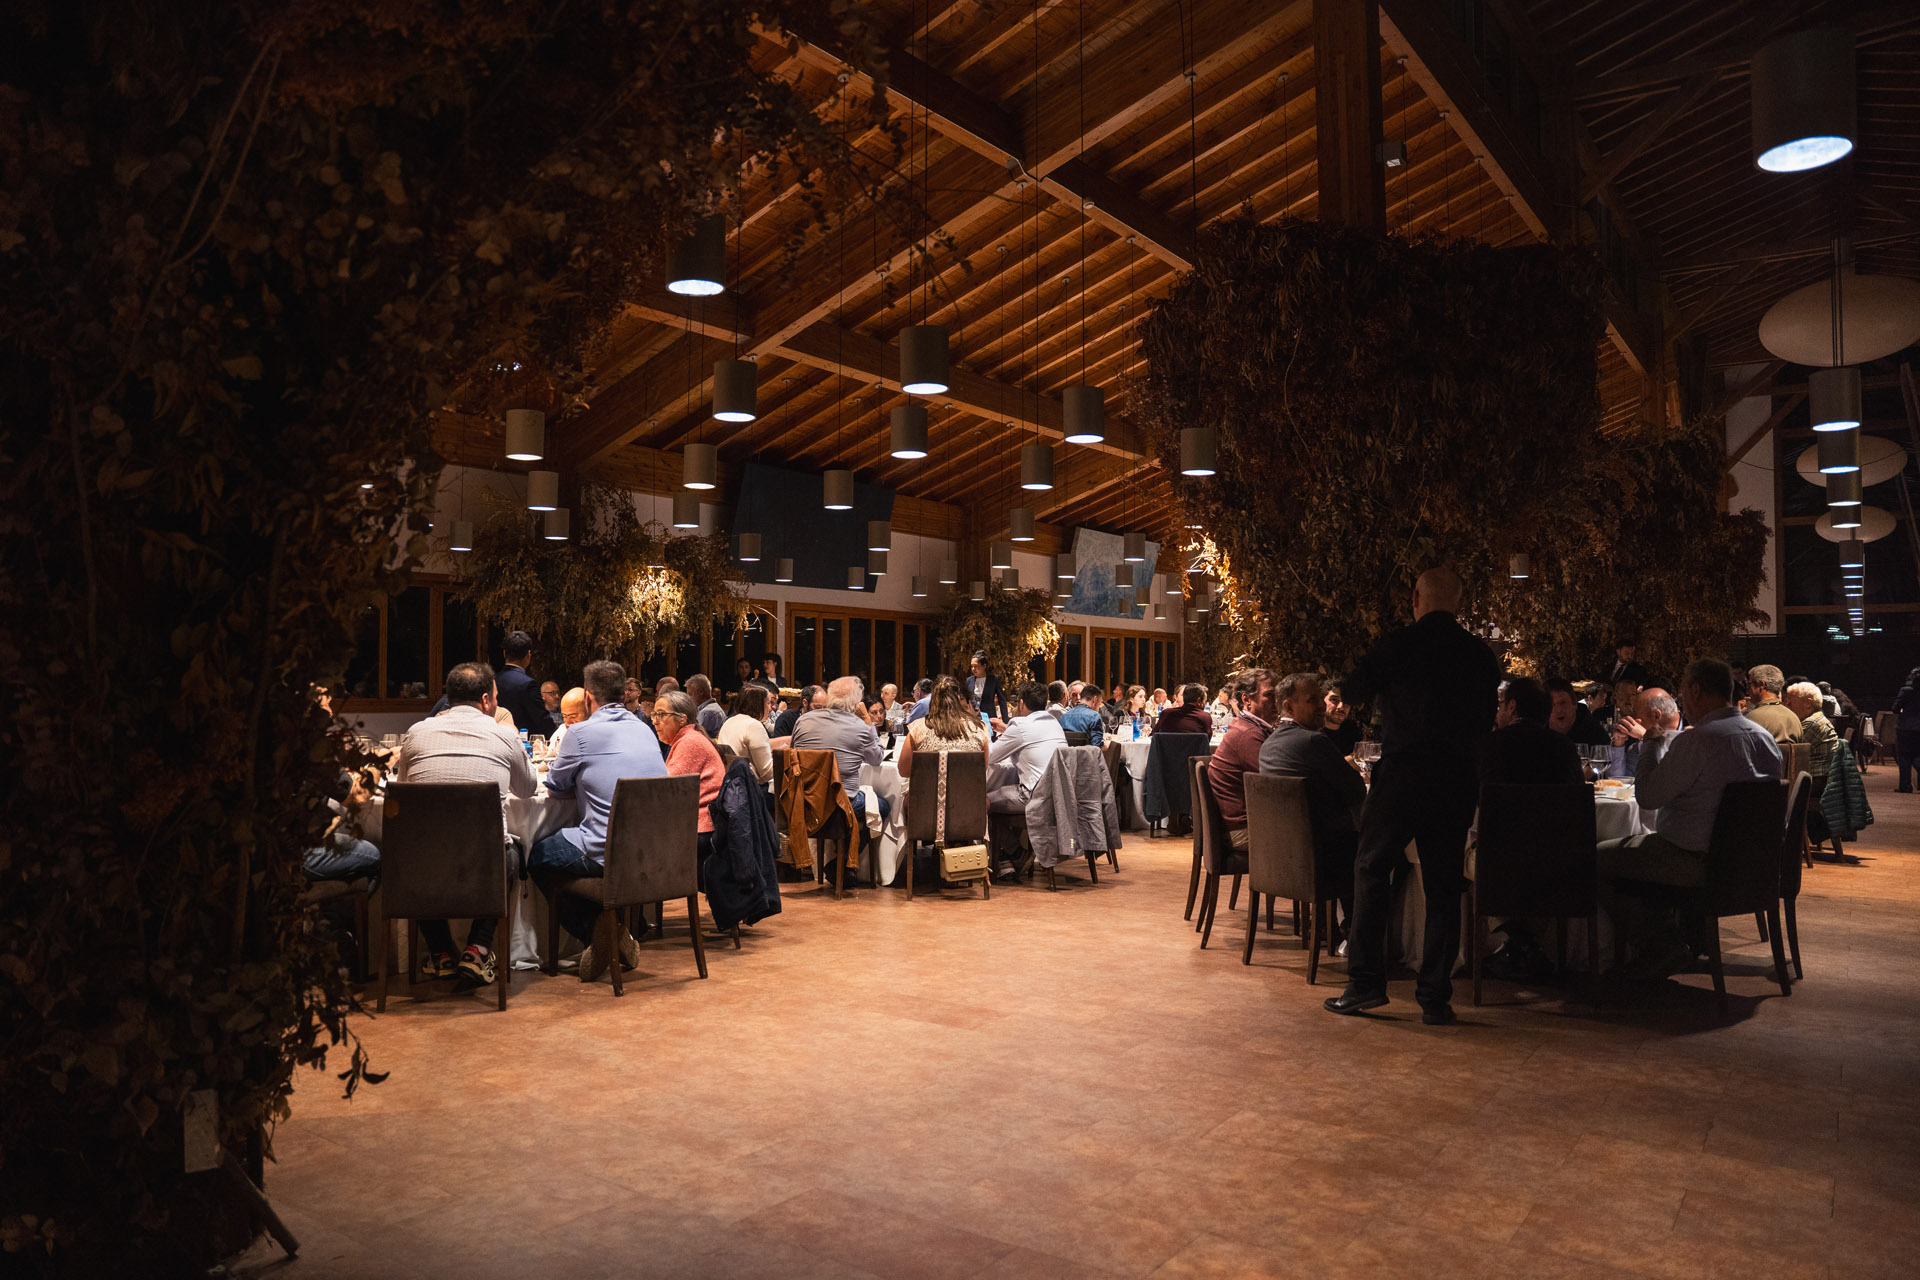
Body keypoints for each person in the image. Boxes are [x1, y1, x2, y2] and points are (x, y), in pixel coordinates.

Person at [1326, 567, 1501, 1026]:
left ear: (1416, 600)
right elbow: (1487, 720)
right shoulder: (1480, 655)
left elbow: (1353, 690)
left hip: (1403, 774)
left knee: (1371, 869)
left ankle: (1366, 984)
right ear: (1459, 604)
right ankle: (1435, 997)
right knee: (1443, 886)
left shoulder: (1399, 644)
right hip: (1456, 778)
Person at [1598, 658, 1780, 974]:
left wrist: (1650, 744)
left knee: (1598, 858)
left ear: (1695, 690)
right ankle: (1679, 937)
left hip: (1697, 863)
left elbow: (1648, 797)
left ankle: (1660, 943)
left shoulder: (1698, 740)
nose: (1680, 699)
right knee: (1645, 850)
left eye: (1682, 691)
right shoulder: (1764, 738)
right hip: (1752, 864)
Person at [394, 661, 537, 991]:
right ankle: (478, 948)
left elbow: (404, 787)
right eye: (496, 698)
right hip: (483, 866)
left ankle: (441, 953)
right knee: (511, 855)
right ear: (486, 700)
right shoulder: (504, 735)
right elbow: (529, 789)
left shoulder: (416, 733)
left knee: (416, 852)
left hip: (424, 867)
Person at [529, 660, 668, 981]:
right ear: (624, 694)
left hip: (607, 850)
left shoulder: (580, 733)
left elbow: (556, 786)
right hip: (654, 852)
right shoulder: (645, 730)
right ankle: (617, 933)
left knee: (537, 856)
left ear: (588, 698)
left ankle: (597, 933)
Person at [1257, 671, 1364, 928]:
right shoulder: (1314, 741)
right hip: (1322, 858)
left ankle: (1335, 928)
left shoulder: (1268, 744)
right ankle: (1360, 936)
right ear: (1288, 706)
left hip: (1277, 855)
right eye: (1312, 700)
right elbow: (1356, 791)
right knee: (1386, 854)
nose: (1320, 707)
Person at [791, 678, 888, 878]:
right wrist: (868, 722)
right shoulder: (860, 727)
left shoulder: (803, 721)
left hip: (805, 802)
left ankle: (842, 862)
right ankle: (843, 863)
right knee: (883, 805)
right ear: (855, 702)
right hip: (841, 804)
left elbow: (792, 753)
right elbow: (877, 758)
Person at [986, 681, 1067, 877]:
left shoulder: (1020, 725)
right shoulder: (1053, 722)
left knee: (982, 803)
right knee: (1004, 794)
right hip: (1060, 796)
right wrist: (1007, 729)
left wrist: (982, 735)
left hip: (1034, 797)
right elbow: (1031, 737)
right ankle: (1007, 858)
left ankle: (1014, 853)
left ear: (1021, 703)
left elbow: (989, 756)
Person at [653, 689, 726, 861]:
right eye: (654, 715)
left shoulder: (690, 742)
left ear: (682, 719)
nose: (655, 721)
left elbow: (666, 790)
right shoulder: (687, 738)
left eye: (661, 714)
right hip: (694, 822)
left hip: (701, 828)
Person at [1208, 668, 1276, 848]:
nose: (1277, 702)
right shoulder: (1248, 734)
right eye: (1269, 695)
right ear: (1246, 700)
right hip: (1241, 830)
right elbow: (1275, 783)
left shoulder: (1247, 726)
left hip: (1242, 823)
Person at [1483, 678, 1583, 786]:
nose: (1497, 712)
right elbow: (1581, 792)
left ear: (1512, 707)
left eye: (1500, 705)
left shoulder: (1490, 745)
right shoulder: (1565, 747)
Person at [898, 675, 989, 787]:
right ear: (958, 699)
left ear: (933, 700)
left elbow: (904, 770)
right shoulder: (979, 728)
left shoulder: (917, 728)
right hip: (969, 795)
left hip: (926, 796)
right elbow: (982, 769)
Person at [495, 630, 556, 736]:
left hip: (495, 738)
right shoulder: (528, 684)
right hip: (522, 741)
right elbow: (543, 721)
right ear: (528, 655)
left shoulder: (492, 680)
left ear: (504, 653)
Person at [1609, 687, 1678, 778]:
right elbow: (1618, 780)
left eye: (1636, 715)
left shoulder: (1690, 735)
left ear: (1656, 716)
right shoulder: (1637, 746)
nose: (1634, 720)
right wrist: (1619, 745)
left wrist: (1646, 737)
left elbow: (1669, 778)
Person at [717, 685, 775, 785]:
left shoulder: (729, 721)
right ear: (758, 705)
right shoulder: (754, 725)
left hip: (730, 785)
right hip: (750, 788)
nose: (771, 708)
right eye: (768, 703)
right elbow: (768, 773)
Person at [1743, 664, 1803, 744]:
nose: (1747, 691)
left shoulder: (1752, 718)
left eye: (1749, 685)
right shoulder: (1794, 718)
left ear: (1761, 685)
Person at [1546, 677, 1608, 746]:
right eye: (1552, 704)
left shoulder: (1595, 734)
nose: (1558, 709)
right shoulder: (1539, 734)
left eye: (1562, 703)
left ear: (1574, 703)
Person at [546, 686, 588, 757]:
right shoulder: (562, 731)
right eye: (564, 716)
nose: (568, 723)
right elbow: (550, 753)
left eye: (573, 717)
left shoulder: (597, 734)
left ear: (588, 712)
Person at [1059, 682, 1106, 746]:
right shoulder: (1095, 716)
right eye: (1099, 703)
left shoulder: (1064, 716)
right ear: (1095, 700)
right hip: (1087, 752)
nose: (1099, 707)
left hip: (1066, 752)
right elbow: (1096, 747)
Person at [965, 652, 1009, 721]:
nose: (973, 669)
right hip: (973, 718)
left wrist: (1005, 721)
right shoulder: (969, 680)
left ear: (984, 666)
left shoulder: (994, 680)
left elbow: (1002, 701)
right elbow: (966, 699)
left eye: (976, 666)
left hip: (989, 717)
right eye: (972, 666)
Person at [1322, 682, 1362, 756]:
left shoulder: (1352, 731)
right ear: (1321, 701)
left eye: (1347, 702)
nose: (1341, 707)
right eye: (1334, 700)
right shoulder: (1309, 732)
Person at [1896, 668, 1920, 792]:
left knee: (1905, 757)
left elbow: (1895, 708)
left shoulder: (1905, 691)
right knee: (1917, 755)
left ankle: (1905, 786)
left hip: (1905, 727)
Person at [686, 673, 726, 738]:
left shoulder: (707, 713)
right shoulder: (713, 708)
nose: (689, 698)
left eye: (690, 694)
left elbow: (696, 739)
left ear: (701, 692)